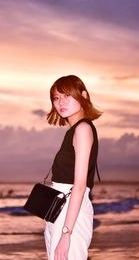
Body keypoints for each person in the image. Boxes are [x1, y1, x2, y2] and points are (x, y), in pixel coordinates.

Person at [44, 75, 102, 260]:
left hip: (70, 212)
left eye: (67, 95)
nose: (61, 102)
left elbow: (79, 185)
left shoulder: (83, 129)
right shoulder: (74, 130)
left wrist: (66, 233)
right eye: (56, 98)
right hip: (59, 209)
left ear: (83, 95)